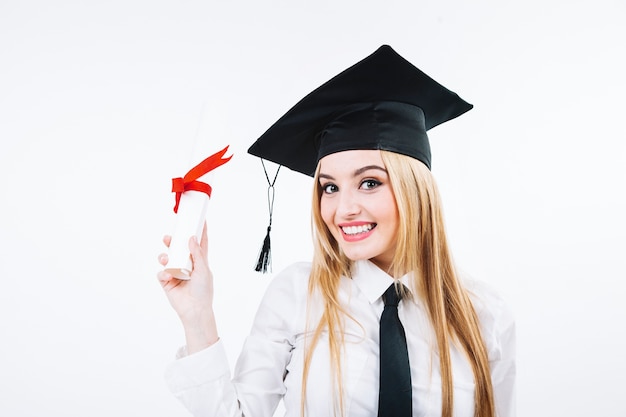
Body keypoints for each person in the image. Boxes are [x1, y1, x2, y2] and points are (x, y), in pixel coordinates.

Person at [157, 45, 516, 417]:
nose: (343, 209)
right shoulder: (298, 294)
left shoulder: (485, 314)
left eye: (370, 183)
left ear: (416, 190)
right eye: (329, 187)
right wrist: (197, 316)